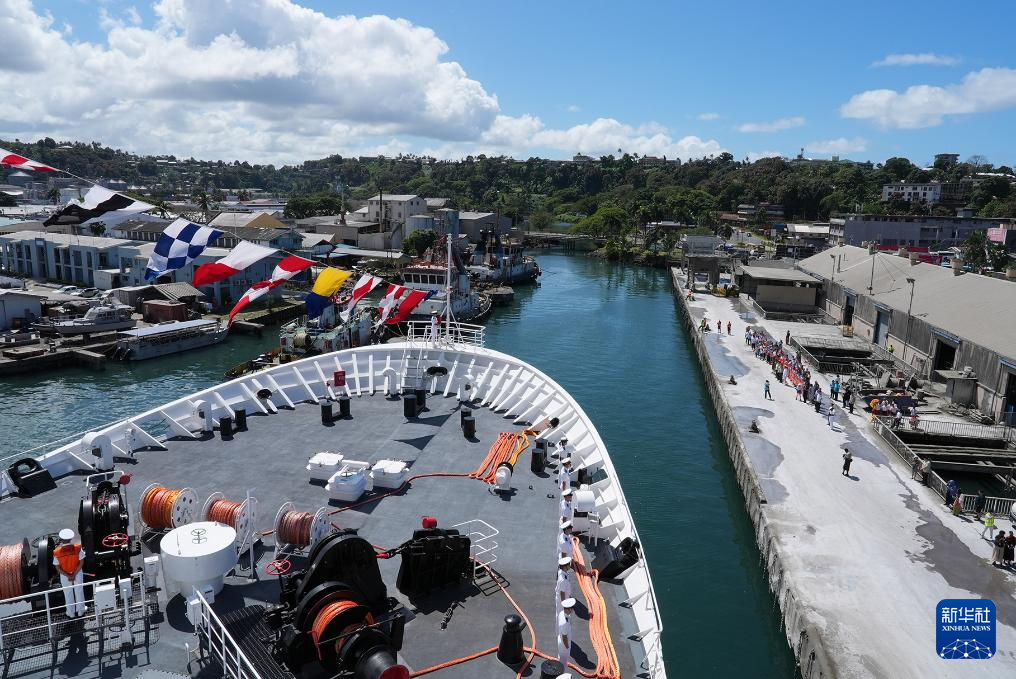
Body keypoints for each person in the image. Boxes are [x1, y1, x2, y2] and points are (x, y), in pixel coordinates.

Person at [53, 528, 86, 617]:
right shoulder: (77, 548)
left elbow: (57, 567)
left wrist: (68, 575)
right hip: (77, 573)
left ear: (61, 539)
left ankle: (71, 613)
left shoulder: (57, 552)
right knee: (79, 591)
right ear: (71, 539)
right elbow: (81, 561)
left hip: (65, 575)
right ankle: (81, 611)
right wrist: (74, 574)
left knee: (68, 593)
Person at [557, 597, 576, 668]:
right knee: (563, 662)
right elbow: (564, 636)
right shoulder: (564, 622)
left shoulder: (562, 613)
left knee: (561, 657)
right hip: (564, 643)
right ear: (570, 609)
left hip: (561, 639)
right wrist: (567, 646)